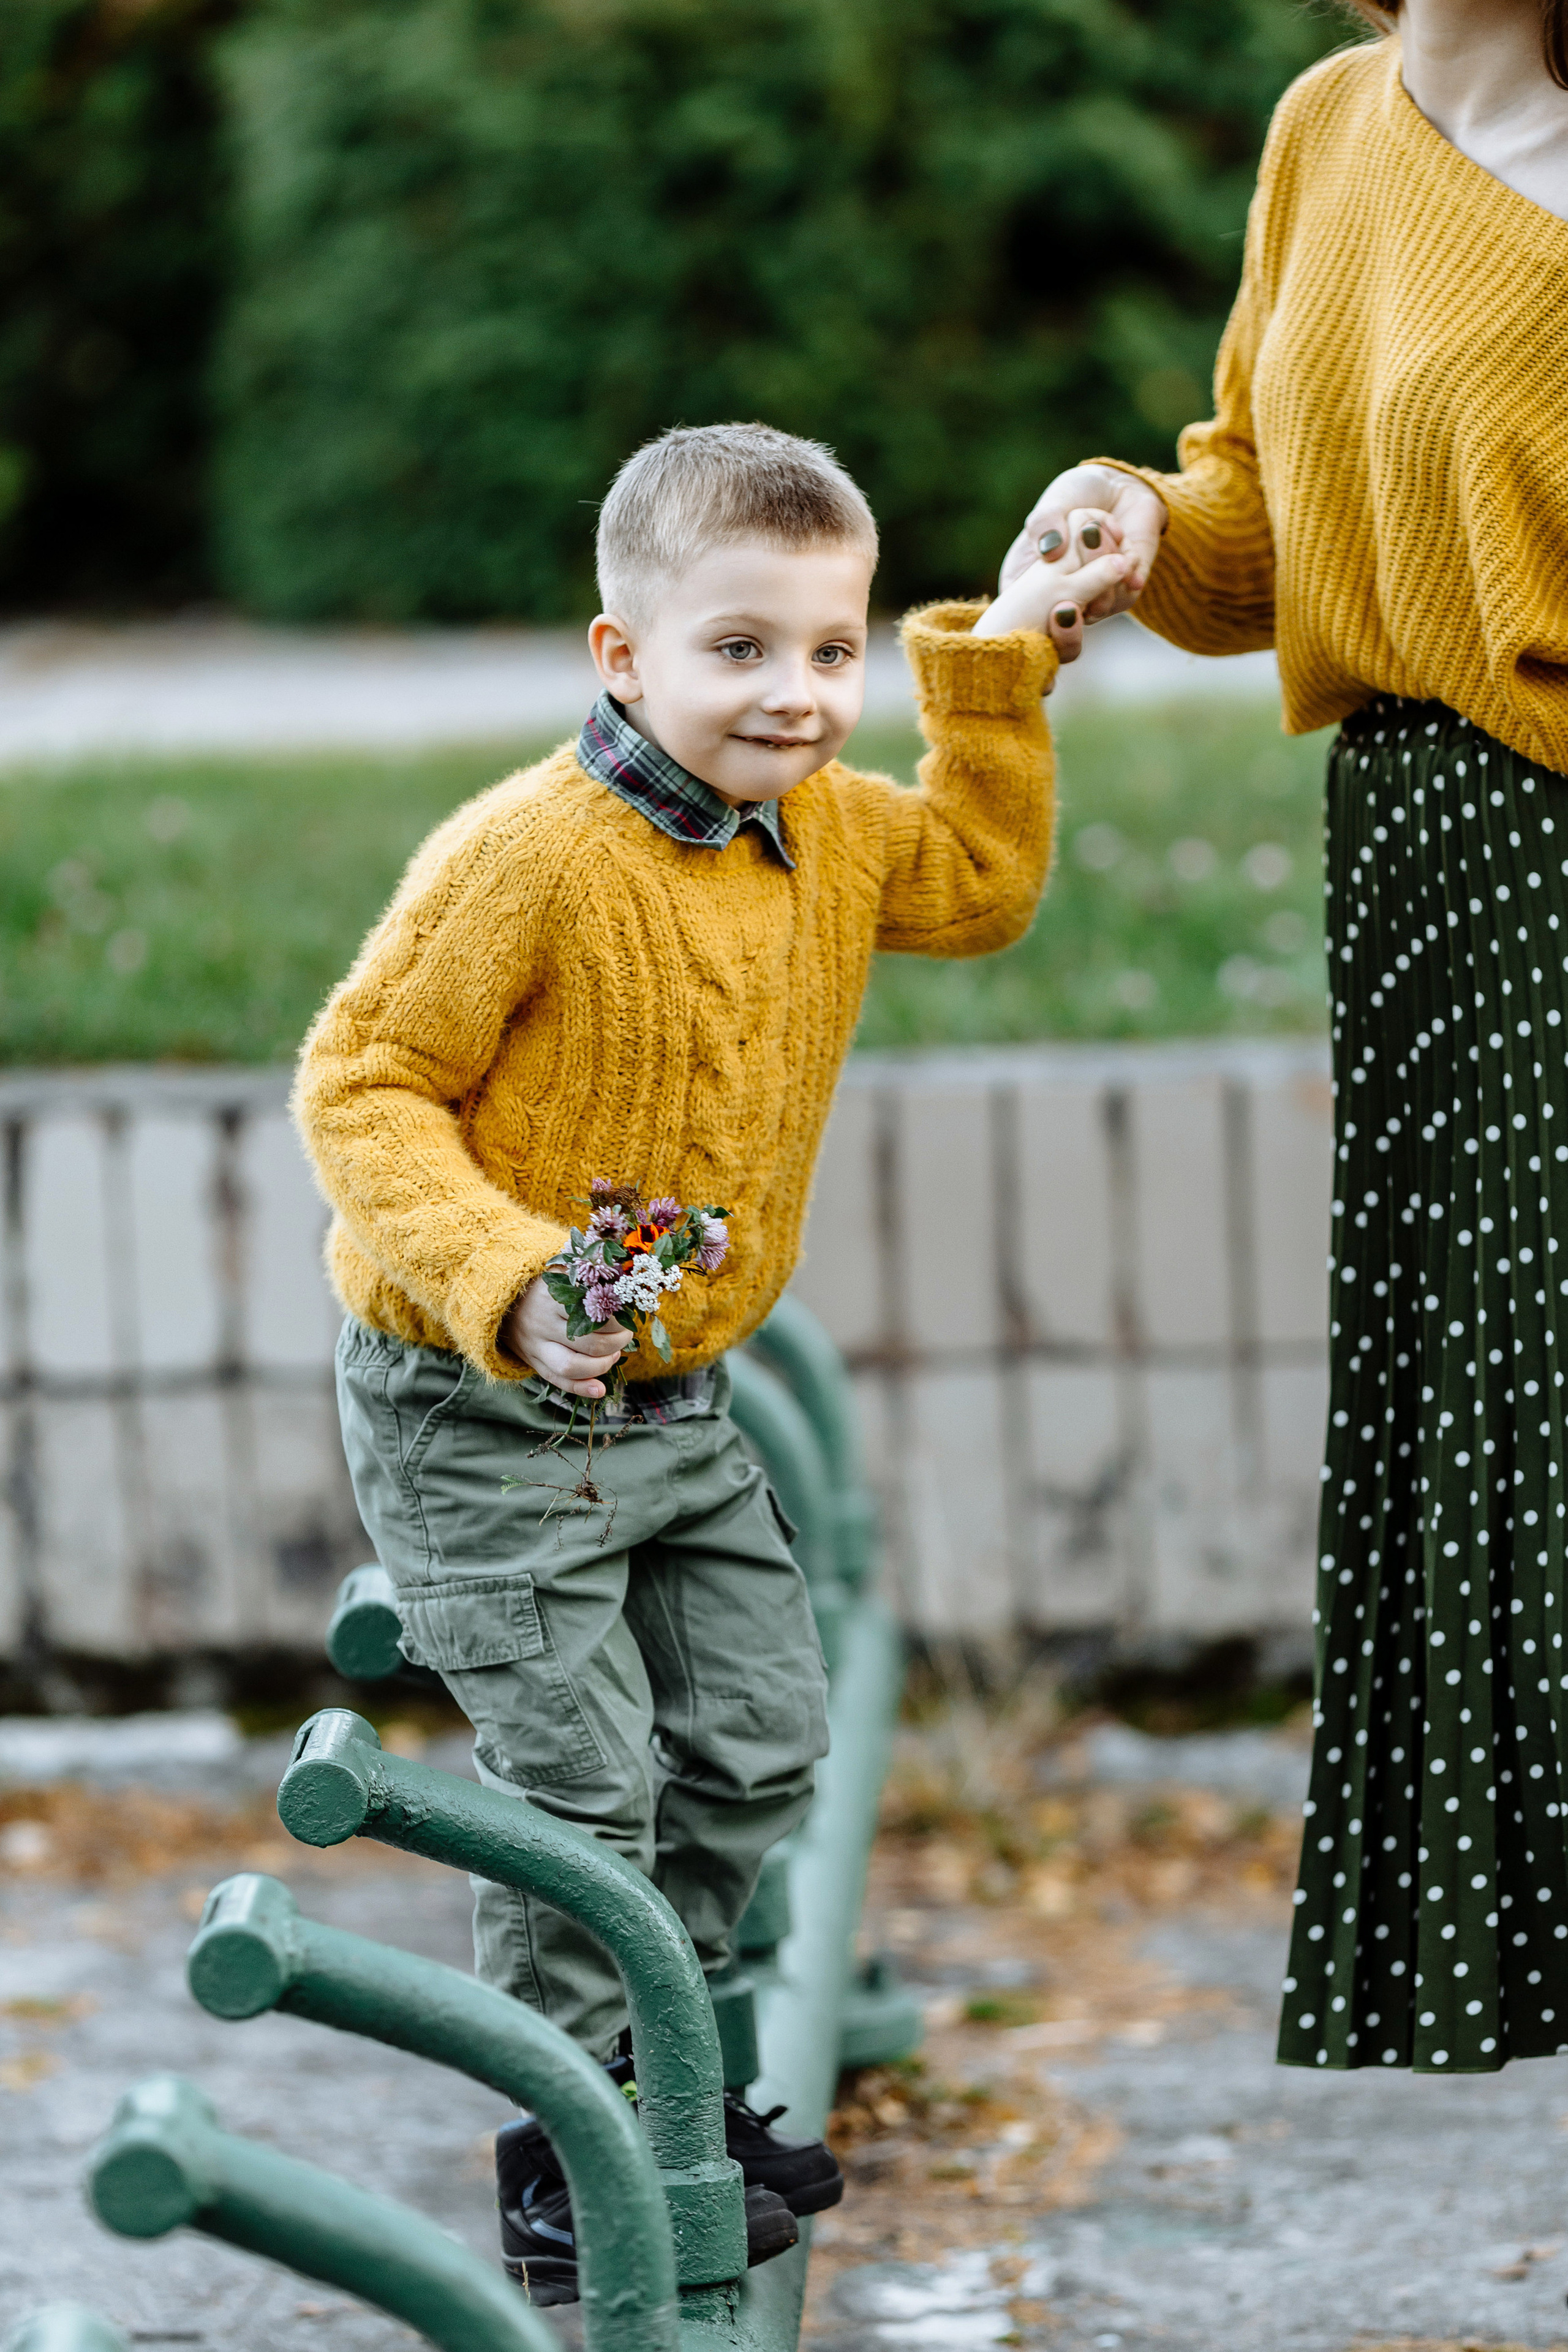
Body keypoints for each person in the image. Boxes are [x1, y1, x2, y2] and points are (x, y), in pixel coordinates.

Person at [293, 420, 1128, 2301]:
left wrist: (1002, 652)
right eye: (739, 650)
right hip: (484, 1407)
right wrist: (503, 1277)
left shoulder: (826, 835)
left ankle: (655, 2074)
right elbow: (359, 1081)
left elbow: (983, 885)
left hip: (680, 1411)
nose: (801, 697)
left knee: (756, 1747)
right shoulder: (529, 856)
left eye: (831, 652)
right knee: (582, 1791)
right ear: (625, 656)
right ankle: (566, 2134)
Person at [1009, 0, 1568, 2076]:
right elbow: (1269, 510)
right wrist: (1145, 526)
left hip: (1550, 840)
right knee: (1484, 1435)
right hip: (1417, 866)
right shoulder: (1329, 126)